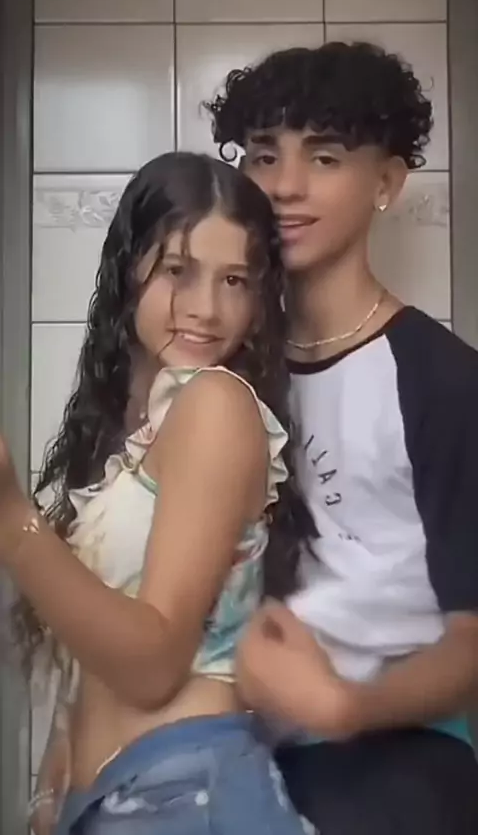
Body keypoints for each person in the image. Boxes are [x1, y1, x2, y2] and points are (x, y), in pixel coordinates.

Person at [0, 152, 317, 835]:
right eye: (178, 270)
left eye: (234, 280)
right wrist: (54, 786)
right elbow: (102, 644)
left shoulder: (216, 405)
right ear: (130, 270)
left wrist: (12, 523)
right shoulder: (141, 429)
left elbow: (153, 666)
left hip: (189, 793)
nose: (207, 309)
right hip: (131, 796)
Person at [206, 41, 478, 834]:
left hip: (394, 756)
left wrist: (347, 707)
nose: (285, 185)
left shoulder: (442, 379)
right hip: (232, 749)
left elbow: (474, 635)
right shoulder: (225, 373)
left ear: (386, 183)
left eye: (324, 158)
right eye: (264, 156)